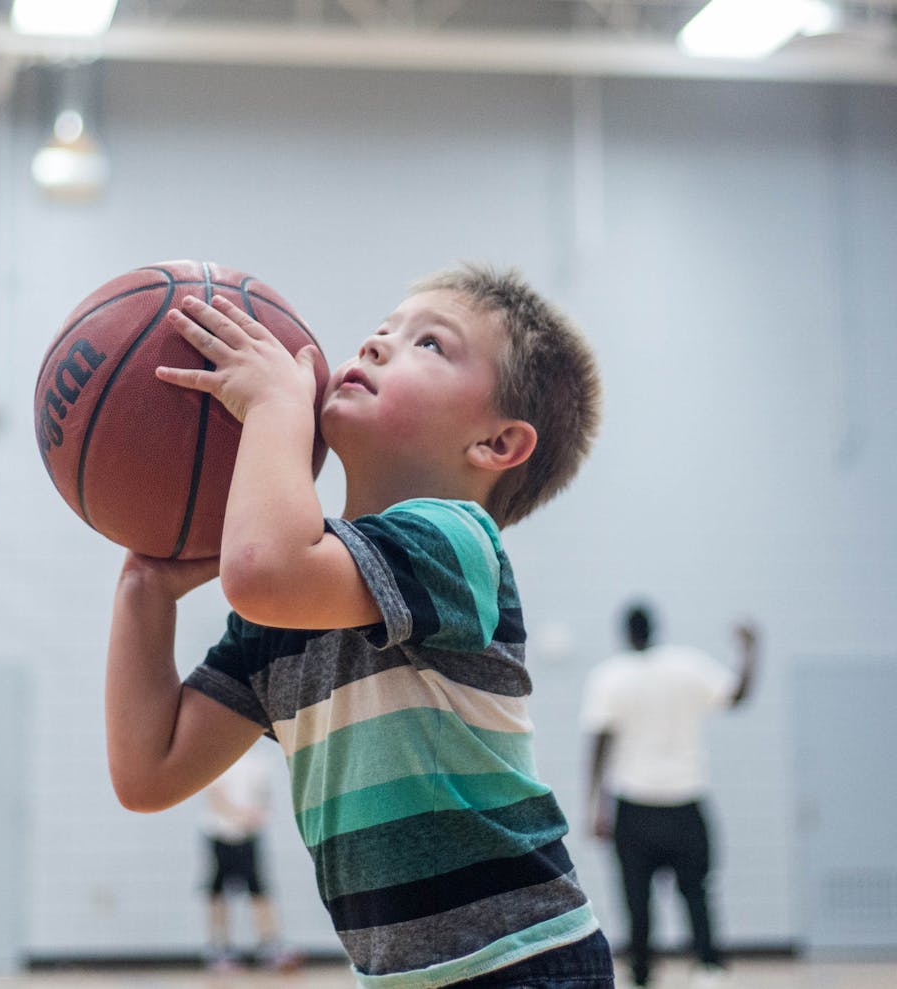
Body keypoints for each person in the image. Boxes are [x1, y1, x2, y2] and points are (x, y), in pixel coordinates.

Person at [104, 263, 611, 988]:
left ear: (496, 445)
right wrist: (143, 585)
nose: (375, 343)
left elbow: (264, 571)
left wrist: (277, 408)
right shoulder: (284, 616)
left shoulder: (459, 544)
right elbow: (148, 769)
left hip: (524, 958)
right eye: (382, 328)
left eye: (429, 344)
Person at [580, 604, 760, 989]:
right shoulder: (687, 666)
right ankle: (709, 969)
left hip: (634, 807)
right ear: (656, 629)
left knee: (637, 902)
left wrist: (596, 806)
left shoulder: (609, 677)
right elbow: (738, 695)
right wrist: (750, 649)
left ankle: (641, 975)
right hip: (686, 802)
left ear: (625, 634)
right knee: (697, 893)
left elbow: (600, 743)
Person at [199, 744, 297, 971]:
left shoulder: (258, 762)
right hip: (219, 833)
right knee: (218, 891)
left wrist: (257, 816)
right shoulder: (216, 758)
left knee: (259, 889)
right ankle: (218, 947)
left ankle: (270, 945)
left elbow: (264, 796)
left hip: (249, 835)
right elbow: (214, 796)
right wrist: (237, 814)